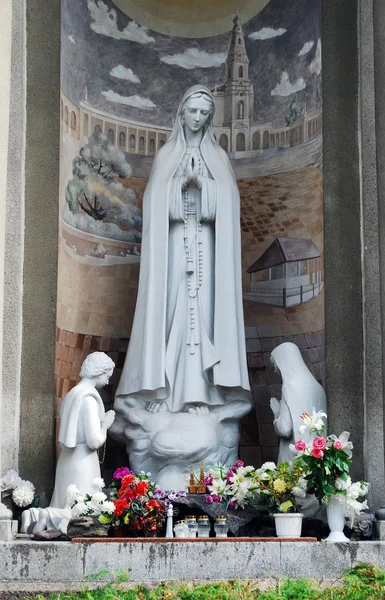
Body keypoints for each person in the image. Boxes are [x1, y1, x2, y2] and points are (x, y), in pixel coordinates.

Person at [111, 85, 251, 487]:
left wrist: (204, 187)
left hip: (205, 249)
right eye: (193, 110)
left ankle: (202, 396)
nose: (199, 118)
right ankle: (165, 391)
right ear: (181, 112)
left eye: (206, 113)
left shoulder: (219, 157)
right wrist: (179, 186)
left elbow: (228, 202)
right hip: (173, 253)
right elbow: (153, 201)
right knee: (171, 316)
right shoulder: (166, 155)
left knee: (202, 321)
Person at [21, 352, 115, 534]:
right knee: (84, 510)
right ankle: (48, 516)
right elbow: (94, 440)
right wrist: (106, 426)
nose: (108, 381)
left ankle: (35, 515)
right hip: (83, 460)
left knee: (74, 504)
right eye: (107, 376)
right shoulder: (88, 398)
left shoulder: (71, 395)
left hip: (66, 459)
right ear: (98, 372)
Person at [269, 342, 327, 464]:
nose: (274, 370)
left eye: (274, 364)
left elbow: (285, 429)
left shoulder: (290, 386)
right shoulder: (318, 387)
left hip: (293, 458)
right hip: (316, 459)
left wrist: (277, 413)